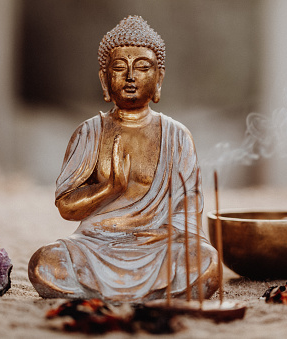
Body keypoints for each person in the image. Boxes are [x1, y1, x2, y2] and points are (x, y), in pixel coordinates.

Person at [28, 15, 219, 302]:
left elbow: (188, 210)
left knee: (207, 262)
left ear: (159, 78)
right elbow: (66, 207)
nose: (131, 77)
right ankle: (152, 294)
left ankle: (101, 293)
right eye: (119, 67)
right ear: (104, 79)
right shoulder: (90, 132)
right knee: (44, 263)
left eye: (143, 67)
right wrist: (108, 189)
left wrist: (170, 234)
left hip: (157, 245)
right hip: (96, 244)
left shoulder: (177, 136)